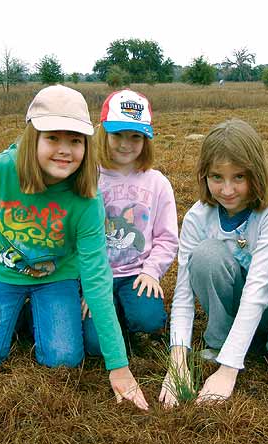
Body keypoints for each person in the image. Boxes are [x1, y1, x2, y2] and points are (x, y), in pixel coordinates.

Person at [0, 85, 148, 410]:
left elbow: (96, 279)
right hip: (2, 276)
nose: (64, 150)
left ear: (86, 145)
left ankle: (34, 311)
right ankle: (20, 310)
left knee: (63, 360)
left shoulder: (87, 200)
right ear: (32, 136)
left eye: (75, 140)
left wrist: (119, 368)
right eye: (52, 138)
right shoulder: (3, 169)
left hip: (57, 278)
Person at [159, 119, 268, 407]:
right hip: (231, 306)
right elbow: (183, 295)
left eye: (239, 177)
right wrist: (177, 362)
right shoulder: (197, 217)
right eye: (217, 177)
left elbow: (258, 287)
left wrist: (228, 370)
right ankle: (220, 337)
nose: (227, 190)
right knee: (205, 255)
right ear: (204, 175)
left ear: (256, 173)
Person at [82, 89, 179, 356]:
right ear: (103, 133)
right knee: (94, 346)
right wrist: (88, 286)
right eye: (118, 135)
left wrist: (151, 271)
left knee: (149, 320)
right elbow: (75, 237)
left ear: (146, 139)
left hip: (137, 273)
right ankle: (111, 315)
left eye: (135, 136)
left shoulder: (157, 182)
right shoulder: (88, 177)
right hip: (97, 275)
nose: (126, 144)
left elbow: (167, 238)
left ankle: (130, 315)